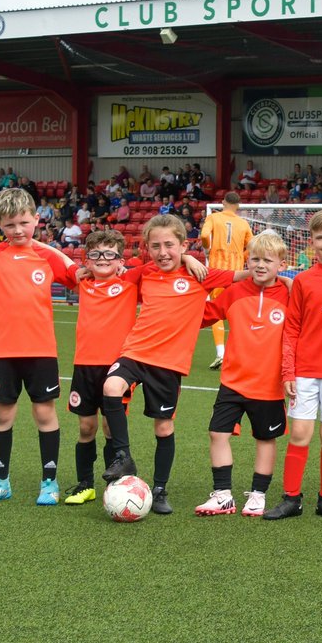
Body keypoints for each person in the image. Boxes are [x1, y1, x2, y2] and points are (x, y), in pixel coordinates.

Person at [99, 215, 238, 513]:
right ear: (147, 248)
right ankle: (123, 457)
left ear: (183, 245)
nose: (162, 252)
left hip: (168, 364)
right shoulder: (144, 272)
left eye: (170, 245)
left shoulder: (200, 274)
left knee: (163, 427)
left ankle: (160, 490)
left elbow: (245, 276)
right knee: (111, 387)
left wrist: (286, 279)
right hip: (135, 352)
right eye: (155, 246)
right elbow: (108, 276)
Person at [0, 188, 78, 505]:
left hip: (41, 351)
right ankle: (1, 482)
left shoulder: (47, 255)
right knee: (2, 416)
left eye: (24, 223)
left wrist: (46, 247)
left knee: (44, 413)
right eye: (10, 224)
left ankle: (49, 482)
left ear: (37, 219)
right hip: (3, 352)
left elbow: (78, 277)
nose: (18, 230)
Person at [263, 210, 322, 521]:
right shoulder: (303, 281)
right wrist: (288, 371)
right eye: (321, 237)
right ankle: (291, 498)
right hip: (305, 371)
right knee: (300, 434)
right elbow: (291, 328)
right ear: (312, 242)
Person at [189, 233, 291, 517]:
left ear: (282, 265)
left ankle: (258, 495)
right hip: (232, 381)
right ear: (247, 262)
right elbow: (203, 316)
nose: (260, 265)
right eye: (255, 259)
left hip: (269, 385)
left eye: (267, 260)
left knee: (265, 439)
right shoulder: (234, 292)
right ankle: (223, 496)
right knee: (217, 433)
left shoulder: (289, 294)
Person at [61, 231, 142, 505]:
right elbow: (56, 261)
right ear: (87, 259)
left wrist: (188, 258)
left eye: (110, 254)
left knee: (109, 426)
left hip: (116, 369)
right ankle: (85, 485)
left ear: (121, 260)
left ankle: (114, 484)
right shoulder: (83, 283)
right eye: (95, 254)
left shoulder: (130, 283)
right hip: (84, 366)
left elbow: (157, 267)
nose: (102, 259)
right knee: (86, 428)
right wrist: (77, 270)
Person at [201, 192, 255, 370]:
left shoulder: (213, 217)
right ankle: (242, 353)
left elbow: (204, 235)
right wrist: (242, 256)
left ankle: (221, 353)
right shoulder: (243, 223)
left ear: (223, 202)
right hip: (237, 273)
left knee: (215, 309)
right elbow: (253, 246)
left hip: (218, 272)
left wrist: (208, 248)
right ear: (238, 205)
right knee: (237, 312)